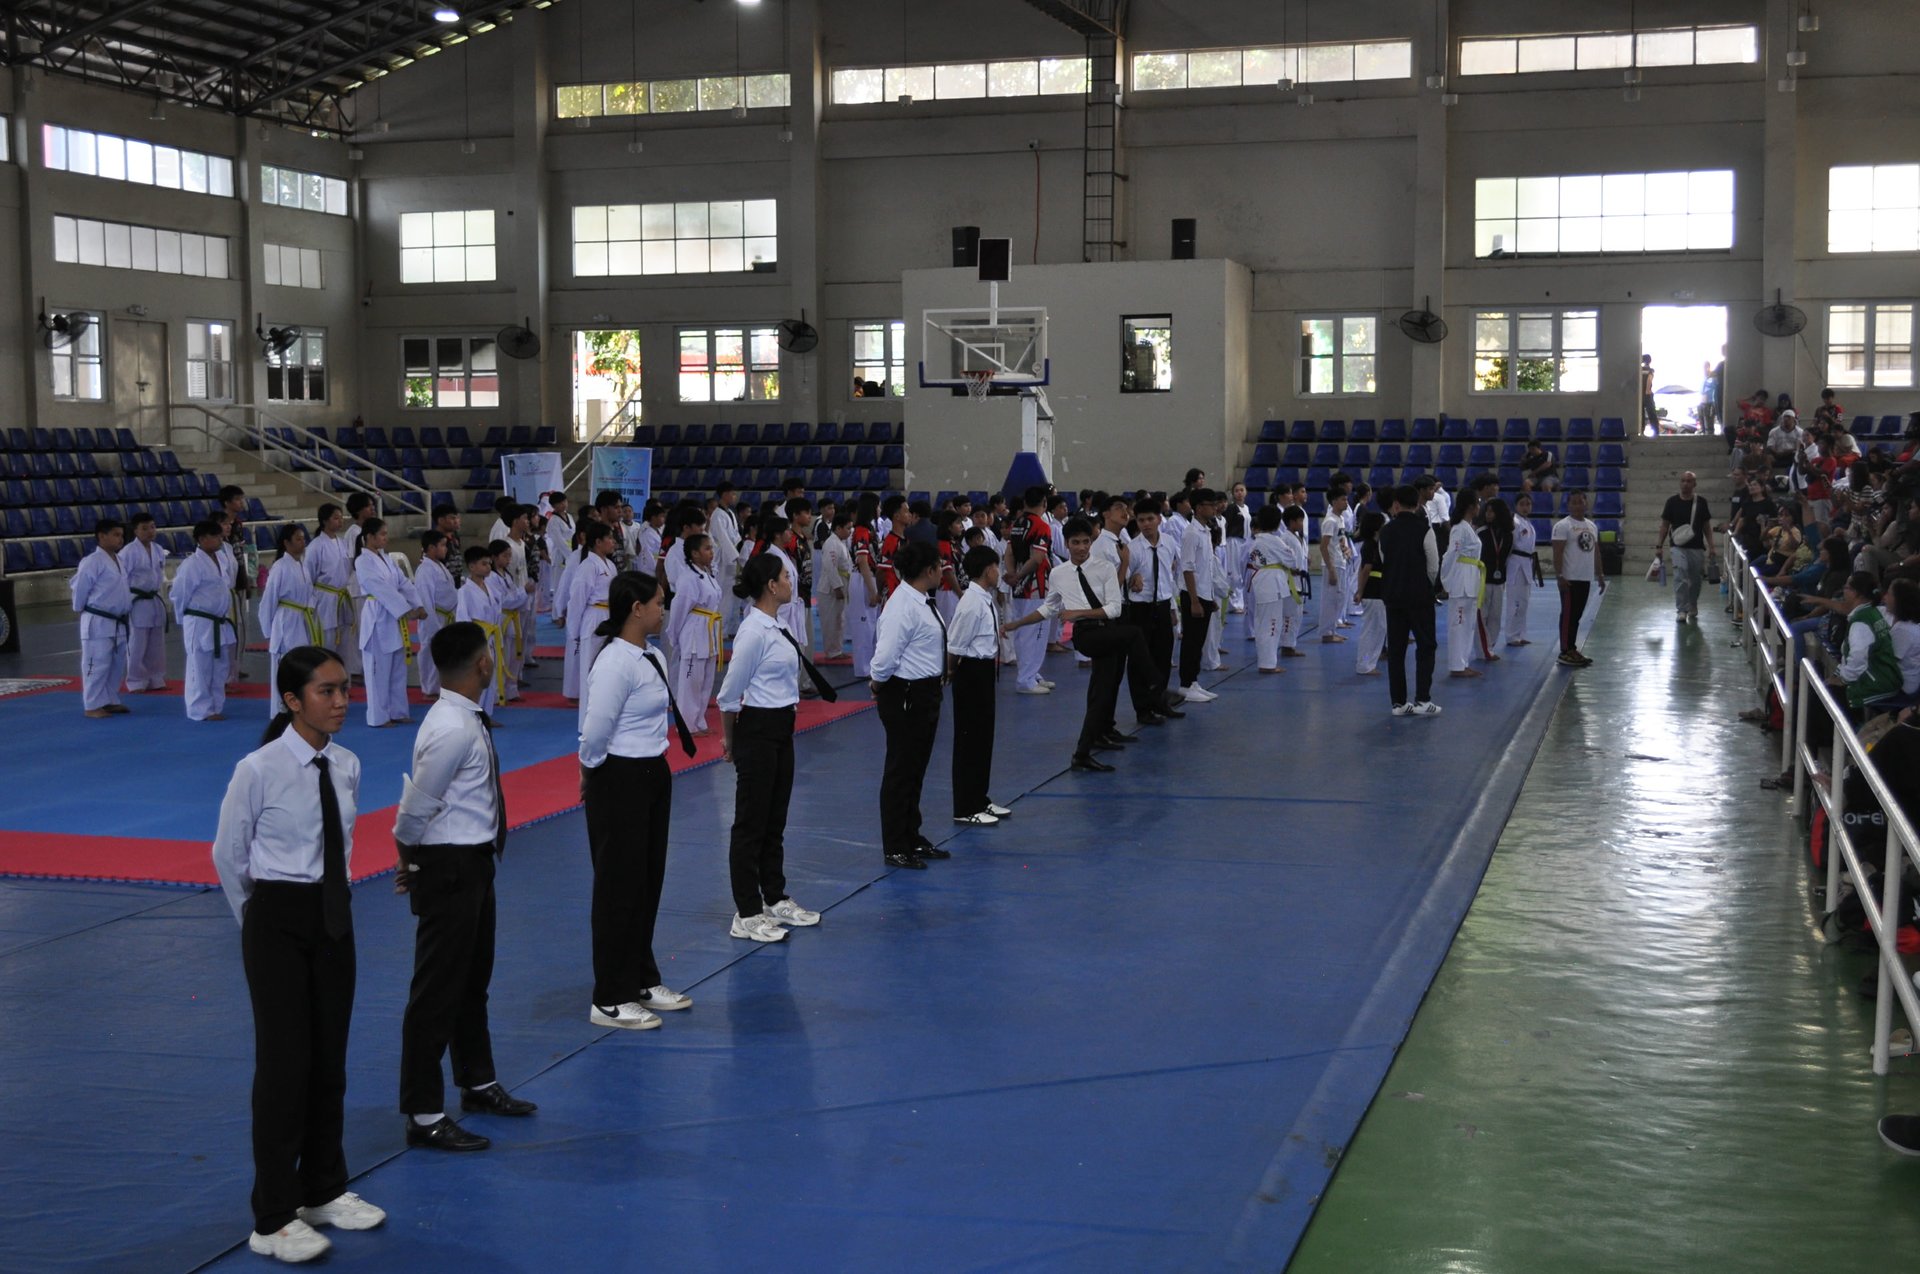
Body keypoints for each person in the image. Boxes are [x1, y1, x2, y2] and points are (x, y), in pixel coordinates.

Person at [211, 646, 385, 1263]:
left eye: (345, 690)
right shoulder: (257, 769)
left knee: (329, 1061)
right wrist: (259, 925)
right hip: (277, 922)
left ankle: (323, 1188)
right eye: (327, 692)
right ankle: (273, 1214)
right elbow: (228, 858)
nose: (342, 702)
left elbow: (341, 848)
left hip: (332, 918)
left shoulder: (347, 765)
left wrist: (324, 914)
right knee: (284, 1067)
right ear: (292, 700)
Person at [392, 622, 534, 1155]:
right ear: (482, 664)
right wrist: (410, 859)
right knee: (436, 992)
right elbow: (414, 807)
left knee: (472, 982)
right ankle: (423, 1112)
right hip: (449, 866)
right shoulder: (452, 727)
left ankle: (477, 1082)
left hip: (472, 863)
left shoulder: (464, 718)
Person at [580, 572, 699, 1030]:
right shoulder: (614, 662)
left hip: (653, 771)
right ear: (636, 609)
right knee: (617, 886)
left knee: (647, 880)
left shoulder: (652, 656)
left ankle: (641, 979)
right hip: (618, 777)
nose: (663, 609)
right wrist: (593, 774)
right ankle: (609, 995)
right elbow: (595, 732)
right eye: (658, 603)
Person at [717, 554, 835, 942]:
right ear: (771, 585)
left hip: (782, 725)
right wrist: (731, 742)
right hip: (758, 729)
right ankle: (747, 911)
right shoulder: (754, 631)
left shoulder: (777, 624)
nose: (790, 581)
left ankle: (774, 895)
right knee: (750, 823)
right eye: (785, 576)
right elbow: (729, 695)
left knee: (775, 820)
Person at [1003, 517, 1168, 772]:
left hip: (1107, 632)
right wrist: (1017, 624)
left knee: (1099, 696)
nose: (1081, 547)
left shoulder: (1103, 569)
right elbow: (1049, 608)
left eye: (1085, 542)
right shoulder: (1058, 573)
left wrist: (1078, 612)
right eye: (1075, 542)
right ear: (1067, 544)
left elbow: (1114, 609)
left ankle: (1082, 753)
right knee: (1134, 634)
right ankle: (1156, 685)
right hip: (1087, 636)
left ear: (1091, 542)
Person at [870, 541, 950, 869]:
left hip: (926, 691)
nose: (944, 568)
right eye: (939, 564)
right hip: (905, 693)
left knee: (916, 769)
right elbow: (885, 656)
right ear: (928, 571)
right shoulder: (902, 605)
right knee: (901, 770)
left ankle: (911, 834)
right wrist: (878, 682)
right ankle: (895, 844)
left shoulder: (921, 601)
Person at [949, 544, 1013, 827]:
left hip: (984, 671)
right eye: (997, 566)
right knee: (968, 740)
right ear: (989, 570)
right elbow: (955, 647)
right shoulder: (971, 603)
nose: (999, 572)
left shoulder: (983, 597)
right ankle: (965, 805)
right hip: (970, 672)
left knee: (983, 737)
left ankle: (979, 797)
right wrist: (952, 674)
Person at [354, 520, 424, 728]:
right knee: (378, 671)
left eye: (386, 534)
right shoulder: (363, 561)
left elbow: (403, 583)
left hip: (394, 617)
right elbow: (380, 588)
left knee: (397, 668)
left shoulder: (386, 558)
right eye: (382, 534)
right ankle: (378, 716)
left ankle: (398, 711)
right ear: (369, 537)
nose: (386, 538)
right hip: (378, 616)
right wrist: (406, 609)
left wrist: (417, 604)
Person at [1379, 485, 1441, 717]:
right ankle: (1423, 699)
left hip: (1393, 596)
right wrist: (1425, 585)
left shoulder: (1386, 530)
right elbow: (1433, 565)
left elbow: (1385, 559)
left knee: (1396, 649)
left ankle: (1398, 703)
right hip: (1419, 596)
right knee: (1426, 645)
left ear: (1397, 504)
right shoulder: (1424, 528)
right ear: (1417, 504)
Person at [1123, 496, 1186, 712]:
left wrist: (1171, 607)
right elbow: (1123, 577)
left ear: (1159, 519)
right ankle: (1143, 708)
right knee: (1141, 659)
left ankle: (1161, 703)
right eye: (1141, 520)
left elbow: (1170, 575)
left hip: (1162, 604)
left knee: (1164, 654)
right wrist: (1133, 579)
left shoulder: (1169, 542)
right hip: (1140, 608)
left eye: (1150, 519)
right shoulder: (1132, 548)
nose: (1146, 524)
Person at [175, 520, 239, 722]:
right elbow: (179, 595)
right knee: (200, 665)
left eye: (221, 536)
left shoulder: (221, 559)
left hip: (219, 620)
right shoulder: (192, 564)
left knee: (219, 667)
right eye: (216, 536)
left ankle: (214, 706)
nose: (221, 539)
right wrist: (184, 619)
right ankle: (199, 709)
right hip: (199, 620)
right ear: (202, 539)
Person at [70, 518, 133, 719]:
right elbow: (80, 589)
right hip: (98, 620)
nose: (120, 539)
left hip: (118, 620)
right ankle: (92, 704)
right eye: (115, 535)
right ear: (101, 536)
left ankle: (110, 700)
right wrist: (81, 609)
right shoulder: (92, 562)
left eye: (121, 535)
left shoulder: (119, 560)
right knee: (96, 664)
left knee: (116, 663)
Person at [259, 523, 322, 716]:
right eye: (298, 539)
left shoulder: (301, 565)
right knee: (285, 667)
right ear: (286, 543)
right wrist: (270, 631)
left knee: (301, 666)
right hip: (286, 621)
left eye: (303, 538)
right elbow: (268, 601)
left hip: (302, 620)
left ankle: (299, 707)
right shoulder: (280, 567)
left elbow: (310, 593)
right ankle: (281, 712)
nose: (303, 543)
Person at [666, 532, 723, 732]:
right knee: (690, 681)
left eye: (711, 548)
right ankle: (687, 725)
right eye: (707, 548)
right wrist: (674, 636)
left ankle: (699, 721)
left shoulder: (707, 574)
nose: (711, 552)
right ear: (695, 554)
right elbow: (679, 609)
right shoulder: (688, 578)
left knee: (706, 680)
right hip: (693, 633)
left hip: (708, 629)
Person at [1006, 485, 1056, 697]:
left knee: (1024, 631)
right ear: (1044, 503)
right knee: (1034, 632)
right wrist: (1019, 576)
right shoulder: (1041, 526)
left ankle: (1031, 673)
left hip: (1019, 586)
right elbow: (1037, 559)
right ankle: (1025, 679)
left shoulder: (1018, 523)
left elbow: (1008, 553)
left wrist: (1012, 575)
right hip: (1035, 586)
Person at [562, 522, 618, 704]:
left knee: (607, 669)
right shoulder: (588, 565)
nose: (613, 542)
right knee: (590, 668)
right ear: (598, 542)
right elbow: (577, 600)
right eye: (609, 538)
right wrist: (574, 631)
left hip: (608, 617)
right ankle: (587, 720)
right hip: (593, 618)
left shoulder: (610, 565)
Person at [1552, 490, 1606, 666]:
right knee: (1568, 614)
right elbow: (1558, 552)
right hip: (1569, 577)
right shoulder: (1562, 526)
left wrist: (1600, 574)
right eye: (1573, 502)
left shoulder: (1592, 526)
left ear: (1586, 503)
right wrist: (1560, 575)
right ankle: (1565, 651)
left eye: (1580, 502)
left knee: (1576, 615)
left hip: (1585, 577)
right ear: (1568, 505)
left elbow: (1595, 551)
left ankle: (1572, 648)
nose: (1577, 505)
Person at [1178, 489, 1223, 700]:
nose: (1215, 508)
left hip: (1203, 593)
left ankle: (1193, 682)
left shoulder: (1205, 531)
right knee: (1191, 641)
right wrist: (1195, 601)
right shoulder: (1191, 533)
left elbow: (1206, 569)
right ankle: (1185, 685)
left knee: (1199, 641)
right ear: (1198, 508)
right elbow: (1187, 568)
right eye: (1210, 504)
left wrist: (1210, 597)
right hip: (1192, 595)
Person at [1655, 472, 1715, 624]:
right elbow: (1664, 525)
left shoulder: (1701, 502)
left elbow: (1706, 526)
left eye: (1689, 481)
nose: (1685, 484)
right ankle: (1681, 609)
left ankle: (1692, 603)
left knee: (1695, 580)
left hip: (1696, 547)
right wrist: (1659, 545)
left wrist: (1711, 546)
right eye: (1683, 481)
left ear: (1694, 484)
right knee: (1680, 575)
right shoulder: (1672, 502)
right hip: (1677, 546)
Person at [123, 512, 170, 693]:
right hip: (137, 600)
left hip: (154, 598)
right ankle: (136, 680)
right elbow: (123, 578)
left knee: (157, 641)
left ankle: (156, 678)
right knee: (137, 641)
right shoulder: (128, 552)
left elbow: (159, 575)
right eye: (144, 528)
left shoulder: (158, 549)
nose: (150, 531)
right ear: (135, 531)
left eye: (152, 527)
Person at [456, 547, 505, 717]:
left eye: (489, 563)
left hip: (491, 637)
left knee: (489, 678)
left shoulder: (491, 588)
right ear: (471, 567)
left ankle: (486, 715)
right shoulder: (464, 591)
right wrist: (469, 646)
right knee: (477, 678)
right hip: (476, 639)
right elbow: (462, 619)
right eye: (483, 564)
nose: (488, 567)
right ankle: (472, 715)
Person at [1441, 491, 1486, 678]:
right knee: (1458, 624)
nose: (1479, 506)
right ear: (1470, 506)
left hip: (1471, 578)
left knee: (1467, 625)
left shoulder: (1468, 527)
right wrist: (1447, 581)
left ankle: (1463, 662)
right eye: (1477, 503)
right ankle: (1457, 666)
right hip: (1460, 580)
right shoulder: (1459, 528)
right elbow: (1451, 555)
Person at [1245, 504, 1292, 674]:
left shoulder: (1256, 540)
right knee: (1271, 624)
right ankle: (1267, 664)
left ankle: (1268, 661)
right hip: (1271, 583)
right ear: (1277, 523)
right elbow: (1292, 560)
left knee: (1264, 623)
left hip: (1262, 580)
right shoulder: (1275, 541)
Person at [487, 539, 534, 703]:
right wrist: (523, 591)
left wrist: (522, 594)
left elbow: (514, 597)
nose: (508, 559)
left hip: (513, 619)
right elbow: (504, 600)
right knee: (503, 658)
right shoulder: (491, 578)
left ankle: (511, 691)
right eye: (505, 556)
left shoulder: (506, 575)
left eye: (509, 556)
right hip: (502, 620)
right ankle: (499, 693)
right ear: (493, 557)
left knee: (515, 657)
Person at [414, 531, 458, 697]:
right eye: (442, 545)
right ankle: (430, 689)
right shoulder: (425, 570)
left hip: (446, 616)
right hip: (433, 616)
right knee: (430, 651)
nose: (446, 549)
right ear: (431, 548)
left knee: (443, 654)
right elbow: (425, 599)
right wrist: (433, 624)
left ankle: (440, 686)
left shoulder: (438, 565)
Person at [307, 504, 355, 657]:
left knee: (344, 640)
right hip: (325, 598)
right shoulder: (316, 546)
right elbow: (309, 576)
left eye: (341, 518)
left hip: (341, 595)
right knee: (327, 640)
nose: (340, 521)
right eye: (336, 518)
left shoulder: (342, 543)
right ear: (324, 521)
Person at [849, 494, 884, 678]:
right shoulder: (861, 530)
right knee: (863, 626)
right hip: (863, 578)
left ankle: (870, 665)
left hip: (869, 577)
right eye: (878, 506)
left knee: (872, 626)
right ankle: (863, 669)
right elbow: (862, 561)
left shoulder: (869, 529)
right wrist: (872, 591)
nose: (880, 509)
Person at [1353, 510, 1389, 675]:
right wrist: (1360, 591)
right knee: (1372, 630)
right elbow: (1365, 570)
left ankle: (1368, 663)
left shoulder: (1376, 544)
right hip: (1373, 590)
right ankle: (1365, 664)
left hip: (1378, 589)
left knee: (1378, 628)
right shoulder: (1370, 545)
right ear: (1376, 528)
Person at [1477, 498, 1514, 656]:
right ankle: (1482, 649)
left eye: (1491, 511)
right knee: (1482, 615)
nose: (1488, 514)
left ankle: (1490, 646)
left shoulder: (1509, 535)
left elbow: (1507, 556)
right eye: (1486, 511)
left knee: (1495, 616)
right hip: (1483, 580)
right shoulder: (1481, 532)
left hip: (1499, 580)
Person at [1319, 482, 1353, 644]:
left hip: (1341, 562)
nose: (1346, 503)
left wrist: (1345, 549)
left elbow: (1339, 540)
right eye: (1342, 500)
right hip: (1332, 565)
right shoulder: (1330, 521)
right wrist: (1331, 569)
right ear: (1333, 502)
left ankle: (1332, 630)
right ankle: (1326, 633)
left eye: (1346, 500)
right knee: (1330, 600)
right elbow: (1323, 546)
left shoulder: (1339, 520)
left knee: (1339, 598)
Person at [818, 512, 854, 659]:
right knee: (831, 621)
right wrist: (837, 587)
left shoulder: (840, 542)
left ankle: (837, 650)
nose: (850, 531)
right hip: (830, 589)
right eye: (847, 528)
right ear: (838, 528)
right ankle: (832, 652)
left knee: (839, 620)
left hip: (841, 585)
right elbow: (830, 567)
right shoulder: (831, 543)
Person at [1222, 483, 1252, 613]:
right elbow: (1225, 525)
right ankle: (1234, 603)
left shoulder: (1246, 508)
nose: (1239, 493)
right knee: (1234, 573)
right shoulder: (1231, 508)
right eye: (1236, 491)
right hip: (1233, 541)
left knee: (1243, 572)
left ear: (1246, 492)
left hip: (1245, 542)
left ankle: (1242, 600)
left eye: (1241, 490)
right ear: (1233, 494)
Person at [1640, 353, 1659, 433]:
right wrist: (1648, 390)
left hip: (1639, 395)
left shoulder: (1639, 370)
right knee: (1652, 414)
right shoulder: (1650, 371)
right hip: (1647, 394)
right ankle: (1655, 431)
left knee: (1641, 414)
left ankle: (1641, 430)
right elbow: (1649, 380)